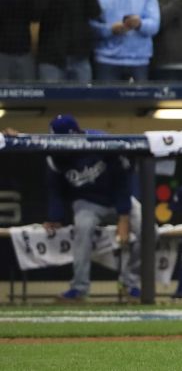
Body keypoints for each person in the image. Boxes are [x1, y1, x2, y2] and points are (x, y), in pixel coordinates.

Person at [43, 114, 141, 301]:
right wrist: (55, 216)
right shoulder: (54, 156)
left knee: (149, 229)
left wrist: (123, 216)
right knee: (83, 228)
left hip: (118, 198)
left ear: (76, 135)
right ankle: (79, 289)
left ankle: (130, 283)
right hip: (88, 202)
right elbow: (54, 189)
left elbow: (123, 179)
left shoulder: (101, 142)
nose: (59, 146)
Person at [91, 0, 161, 82]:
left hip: (138, 60)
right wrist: (109, 30)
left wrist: (140, 24)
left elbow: (154, 25)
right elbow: (89, 25)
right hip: (106, 60)